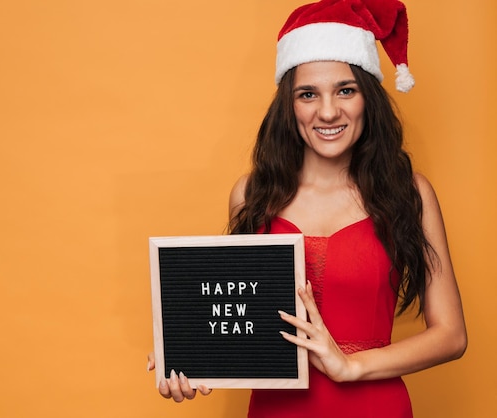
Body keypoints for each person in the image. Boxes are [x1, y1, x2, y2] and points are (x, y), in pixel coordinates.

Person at [147, 0, 467, 416]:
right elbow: (236, 315)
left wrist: (351, 366)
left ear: (367, 98)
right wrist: (191, 357)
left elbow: (451, 335)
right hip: (275, 408)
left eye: (345, 90)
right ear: (289, 105)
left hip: (373, 406)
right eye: (308, 94)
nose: (328, 111)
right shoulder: (251, 195)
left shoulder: (410, 193)